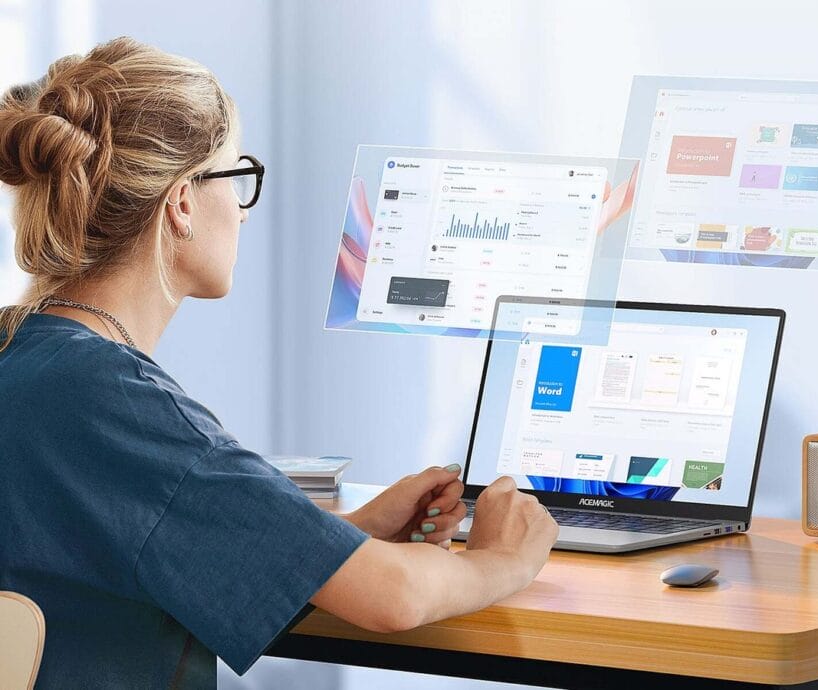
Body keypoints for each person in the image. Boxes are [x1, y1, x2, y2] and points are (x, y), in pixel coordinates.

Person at [0, 37, 558, 688]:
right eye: (234, 179)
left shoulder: (25, 359)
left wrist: (332, 537)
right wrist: (502, 559)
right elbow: (395, 598)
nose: (240, 210)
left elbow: (117, 535)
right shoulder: (115, 400)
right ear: (181, 202)